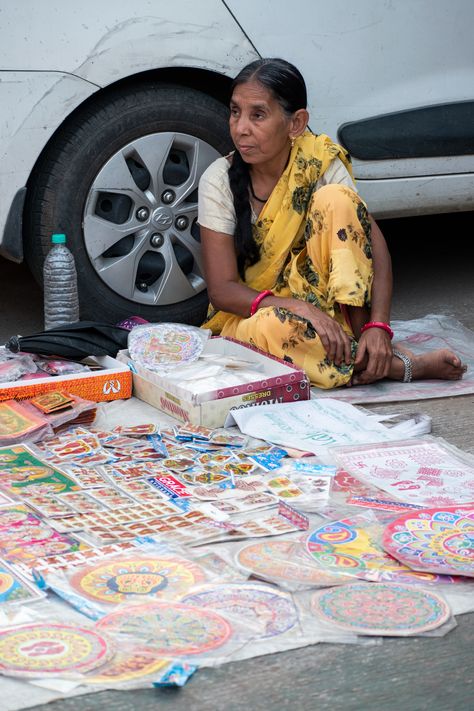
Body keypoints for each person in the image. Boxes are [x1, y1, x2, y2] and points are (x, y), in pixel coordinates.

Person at [198, 58, 466, 389]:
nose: (240, 128)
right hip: (262, 315)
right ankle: (392, 366)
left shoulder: (320, 161)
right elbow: (223, 290)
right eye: (235, 112)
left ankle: (364, 341)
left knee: (338, 198)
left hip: (333, 313)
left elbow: (373, 245)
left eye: (258, 115)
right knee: (271, 331)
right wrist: (297, 308)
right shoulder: (218, 180)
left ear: (296, 123)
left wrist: (378, 326)